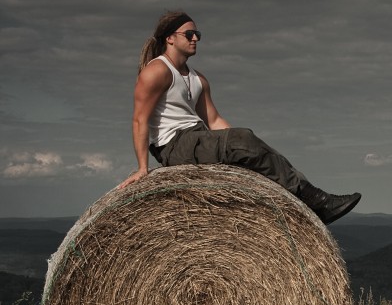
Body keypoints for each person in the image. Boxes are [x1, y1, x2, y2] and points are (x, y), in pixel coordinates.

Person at [119, 11, 361, 224]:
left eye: (198, 35)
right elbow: (140, 119)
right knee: (244, 141)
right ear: (169, 38)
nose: (195, 39)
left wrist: (241, 145)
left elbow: (214, 121)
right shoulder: (157, 71)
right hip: (174, 145)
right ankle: (317, 201)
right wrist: (143, 168)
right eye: (189, 34)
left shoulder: (198, 79)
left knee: (257, 148)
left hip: (198, 137)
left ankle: (307, 200)